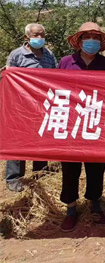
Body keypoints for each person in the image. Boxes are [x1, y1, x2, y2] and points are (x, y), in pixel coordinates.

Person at [58, 22, 105, 232]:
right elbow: (55, 88)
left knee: (96, 166)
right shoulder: (66, 62)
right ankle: (71, 209)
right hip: (71, 123)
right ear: (80, 40)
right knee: (70, 167)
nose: (91, 41)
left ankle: (95, 204)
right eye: (87, 37)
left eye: (96, 38)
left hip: (97, 123)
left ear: (101, 42)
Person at [4, 23, 57, 192]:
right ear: (27, 37)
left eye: (42, 35)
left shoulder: (49, 55)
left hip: (43, 104)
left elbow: (56, 75)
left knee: (40, 138)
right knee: (18, 140)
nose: (39, 38)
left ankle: (40, 172)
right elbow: (9, 77)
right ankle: (14, 178)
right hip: (21, 105)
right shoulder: (17, 54)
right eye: (36, 35)